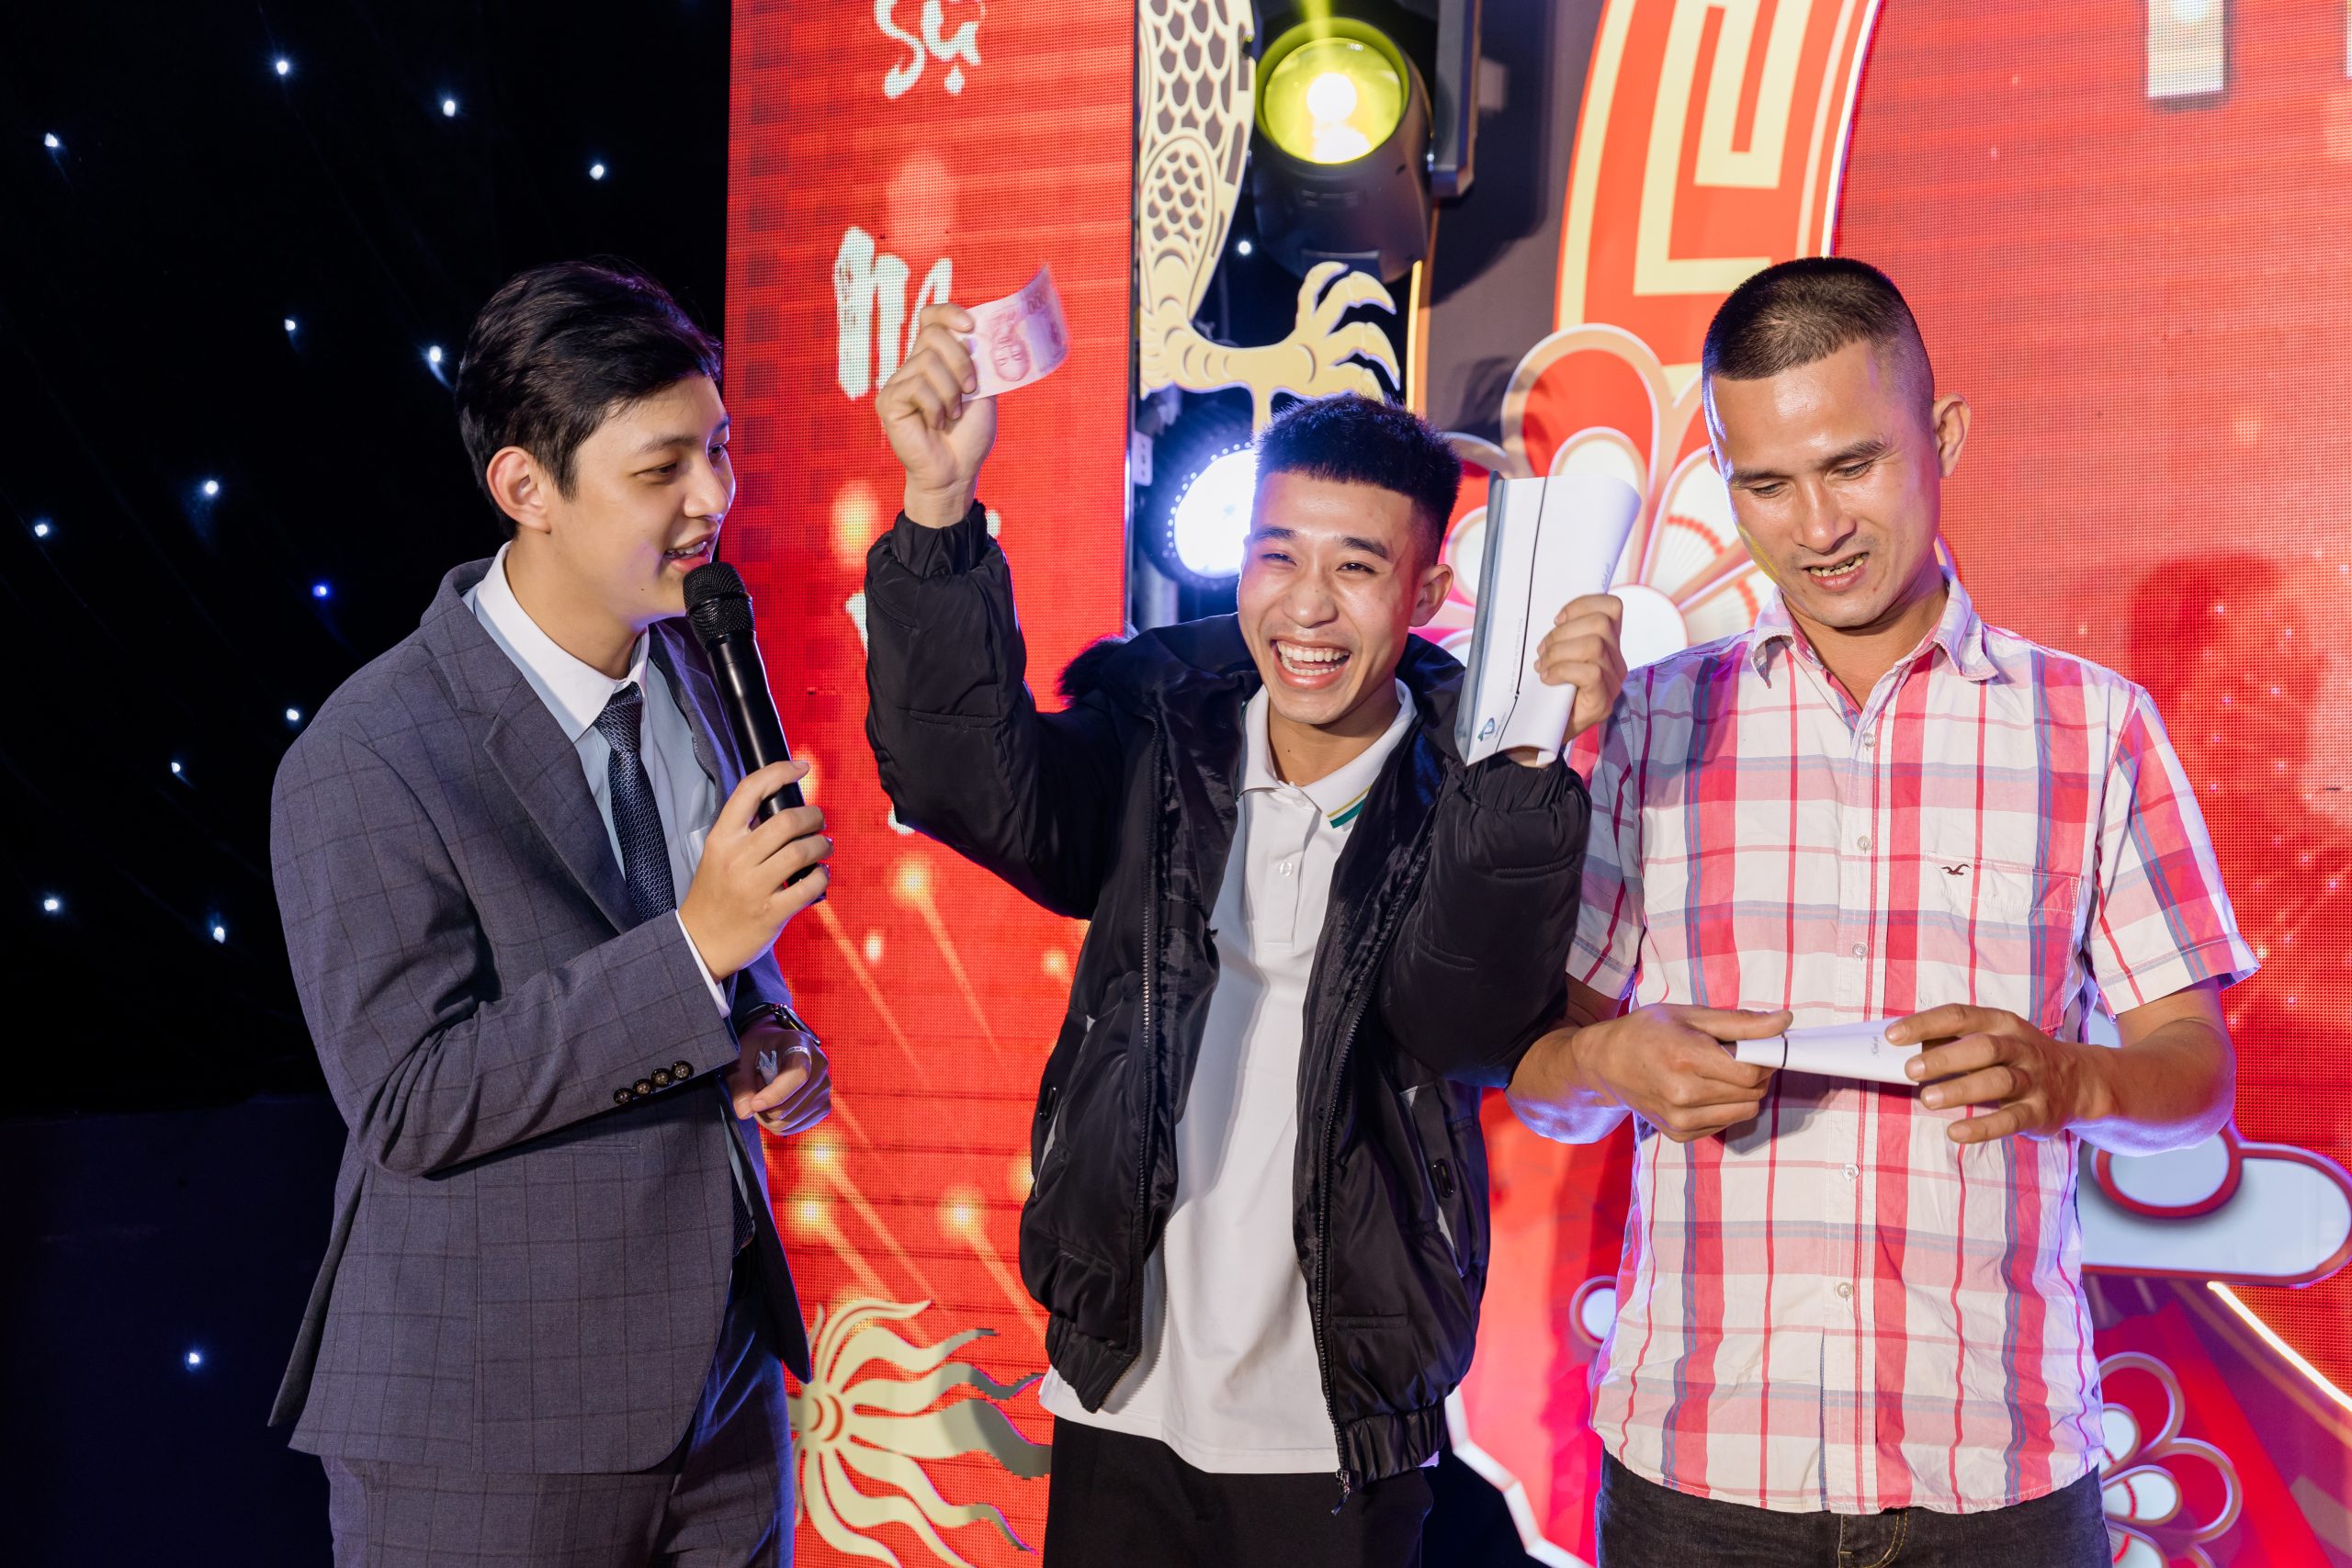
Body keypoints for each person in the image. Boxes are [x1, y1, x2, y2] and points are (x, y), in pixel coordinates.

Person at [1504, 257, 2253, 1565]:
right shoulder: (1647, 725)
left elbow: (2197, 1079)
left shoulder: (2092, 729)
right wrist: (1613, 1061)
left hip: (1999, 1465)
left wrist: (2070, 1079)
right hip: (1700, 1465)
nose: (1816, 526)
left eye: (1852, 465)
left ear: (1942, 435)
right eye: (1766, 484)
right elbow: (1541, 1078)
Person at [864, 304, 1626, 1567]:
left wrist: (1534, 756)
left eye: (1357, 568)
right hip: (1123, 1385)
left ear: (1428, 593)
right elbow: (962, 785)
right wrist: (939, 512)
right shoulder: (1157, 735)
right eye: (1277, 556)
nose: (1306, 608)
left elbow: (1466, 1018)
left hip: (1336, 1415)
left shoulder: (1469, 792)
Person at [269, 259, 834, 1567]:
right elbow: (409, 1099)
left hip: (724, 1389)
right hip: (488, 1415)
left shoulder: (697, 660)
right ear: (525, 487)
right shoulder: (370, 752)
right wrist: (694, 953)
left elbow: (710, 947)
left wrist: (768, 1030)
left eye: (718, 450)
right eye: (661, 470)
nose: (713, 499)